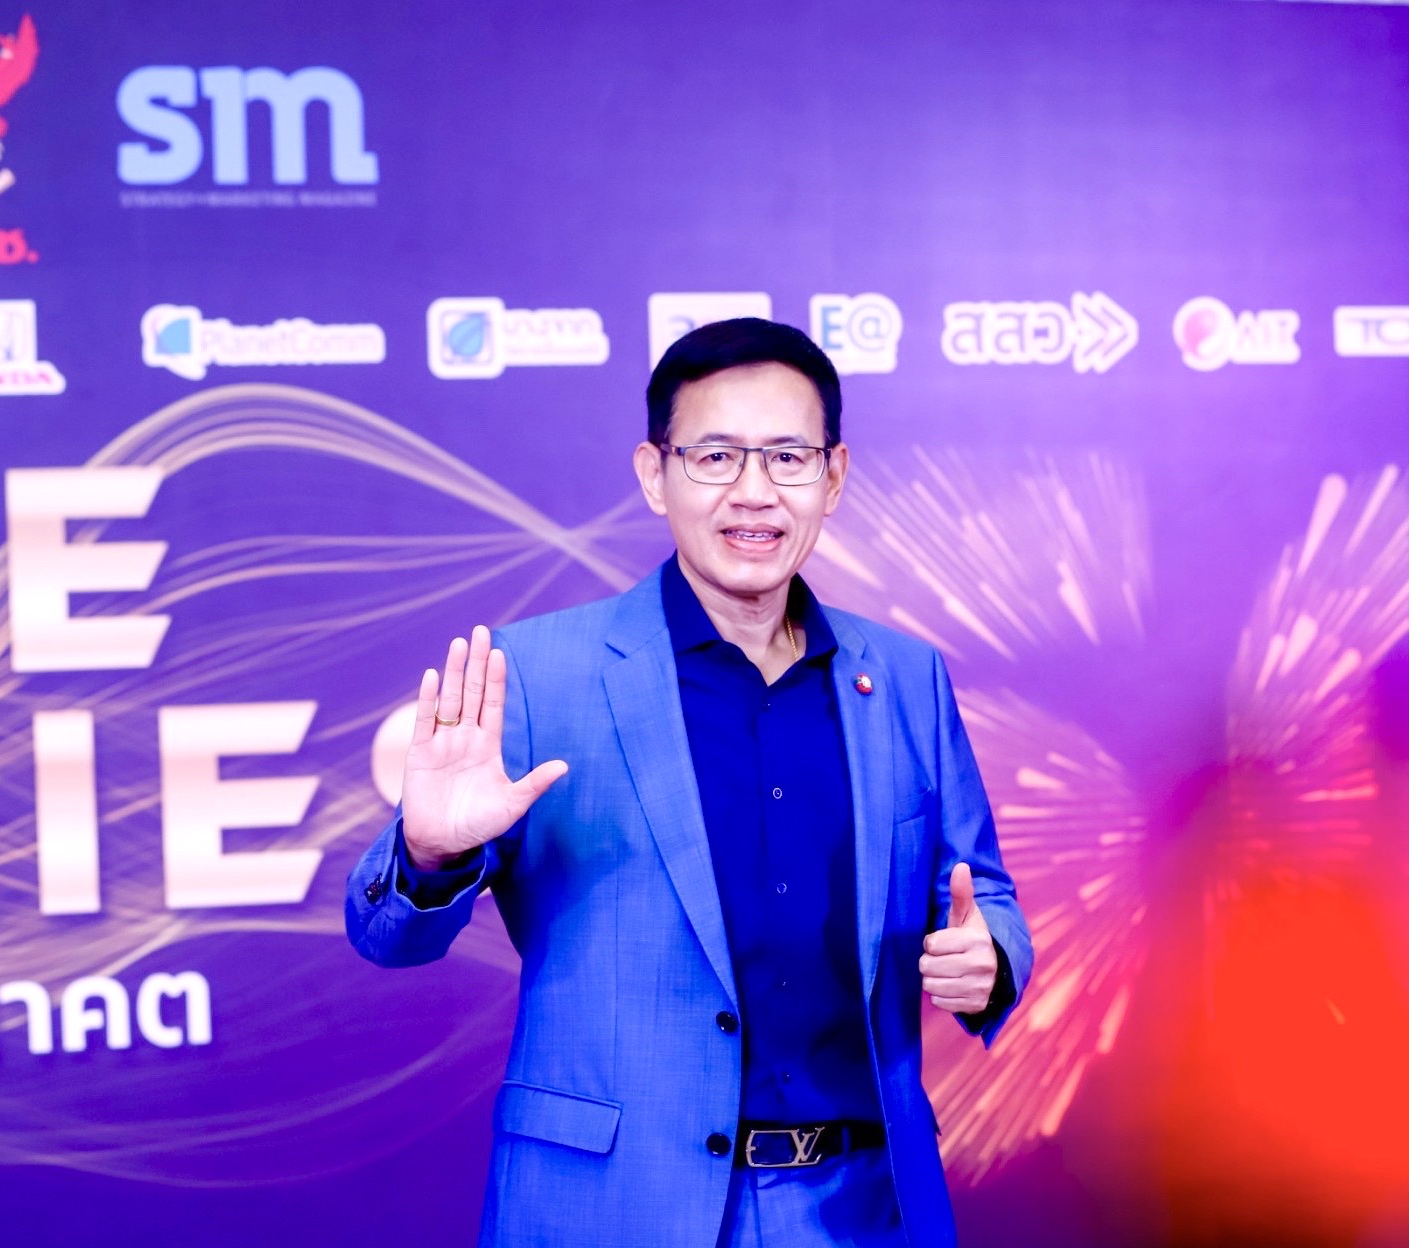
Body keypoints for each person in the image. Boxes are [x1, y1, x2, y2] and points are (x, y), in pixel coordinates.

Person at [346, 318, 1030, 1248]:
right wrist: (427, 856)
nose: (754, 491)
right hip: (617, 1207)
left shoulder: (906, 678)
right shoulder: (539, 675)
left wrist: (990, 959)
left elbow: (985, 892)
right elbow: (385, 938)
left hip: (865, 1208)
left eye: (788, 456)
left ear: (833, 477)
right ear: (653, 473)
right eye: (714, 456)